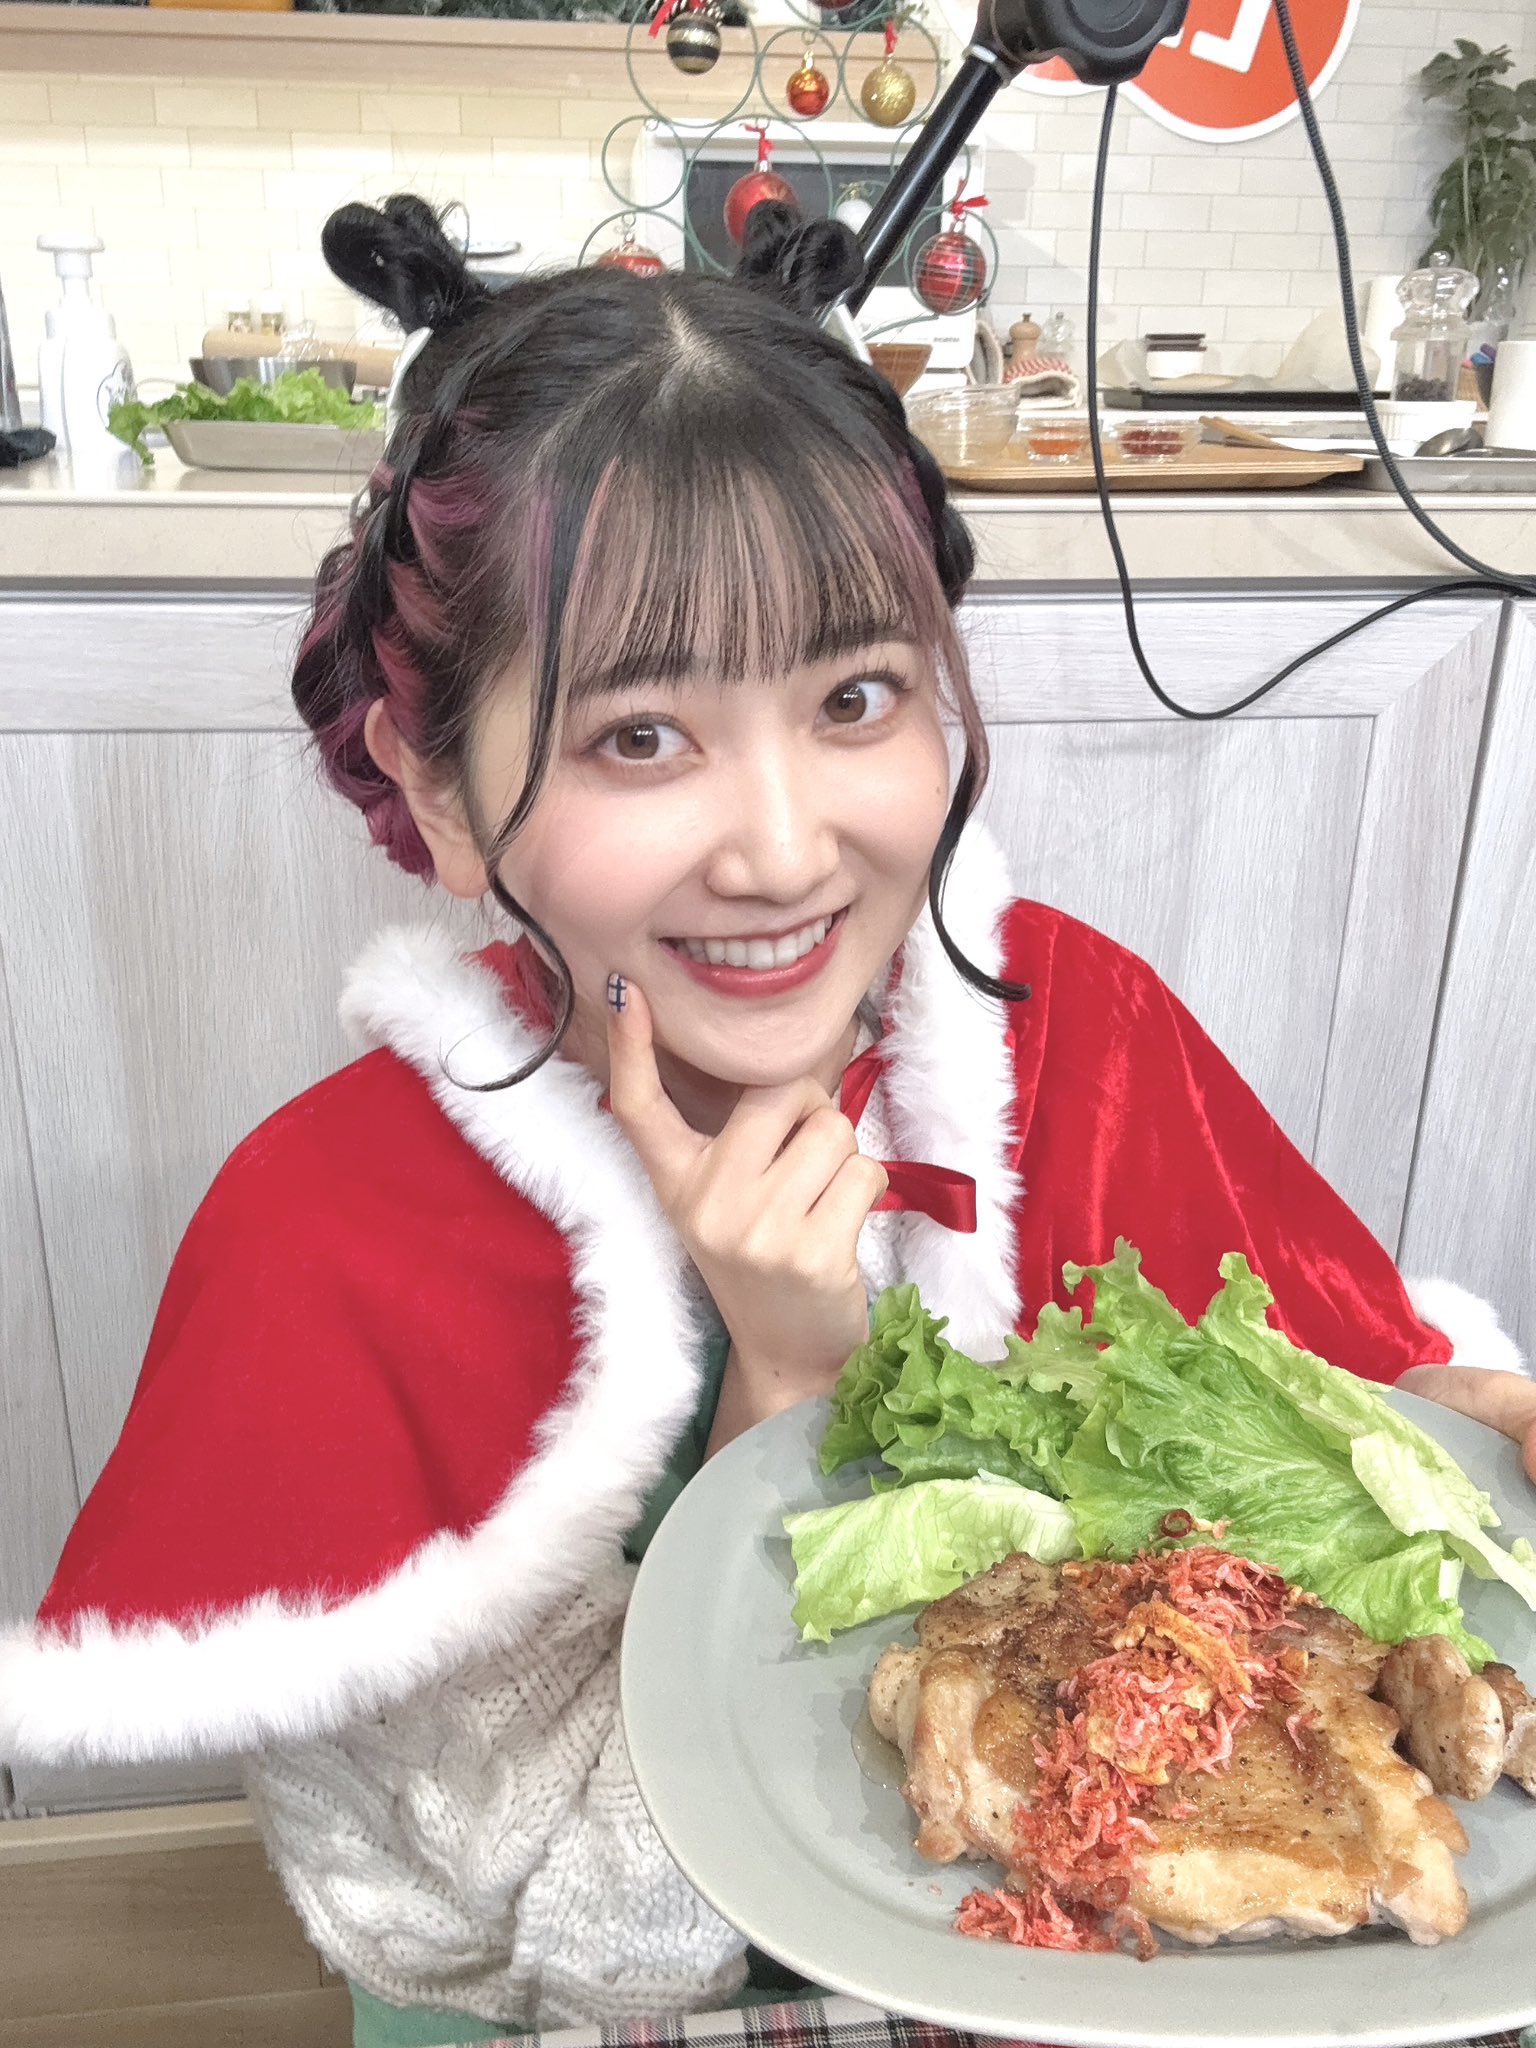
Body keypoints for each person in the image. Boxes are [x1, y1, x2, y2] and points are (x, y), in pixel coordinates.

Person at [1, 196, 1530, 2048]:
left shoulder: (1067, 1031)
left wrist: (1465, 1438)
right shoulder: (327, 1235)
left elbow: (1338, 1474)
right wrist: (786, 1399)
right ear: (442, 787)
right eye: (640, 736)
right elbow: (557, 1958)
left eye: (857, 697)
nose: (788, 850)